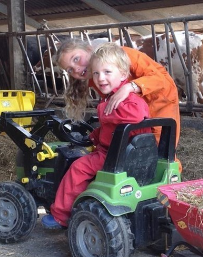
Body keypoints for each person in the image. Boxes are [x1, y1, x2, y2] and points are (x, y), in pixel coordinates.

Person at [42, 42, 151, 229]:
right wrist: (94, 135)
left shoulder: (129, 99)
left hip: (114, 156)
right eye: (96, 74)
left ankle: (60, 215)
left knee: (78, 167)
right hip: (121, 151)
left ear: (123, 75)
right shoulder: (113, 98)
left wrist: (103, 112)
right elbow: (113, 127)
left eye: (107, 72)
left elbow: (137, 116)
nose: (101, 79)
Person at [54, 38, 182, 171]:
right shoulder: (96, 76)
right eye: (70, 70)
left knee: (161, 149)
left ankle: (174, 183)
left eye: (76, 59)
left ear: (88, 50)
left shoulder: (123, 55)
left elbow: (162, 80)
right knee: (136, 149)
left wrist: (129, 87)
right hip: (133, 111)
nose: (77, 69)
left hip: (159, 101)